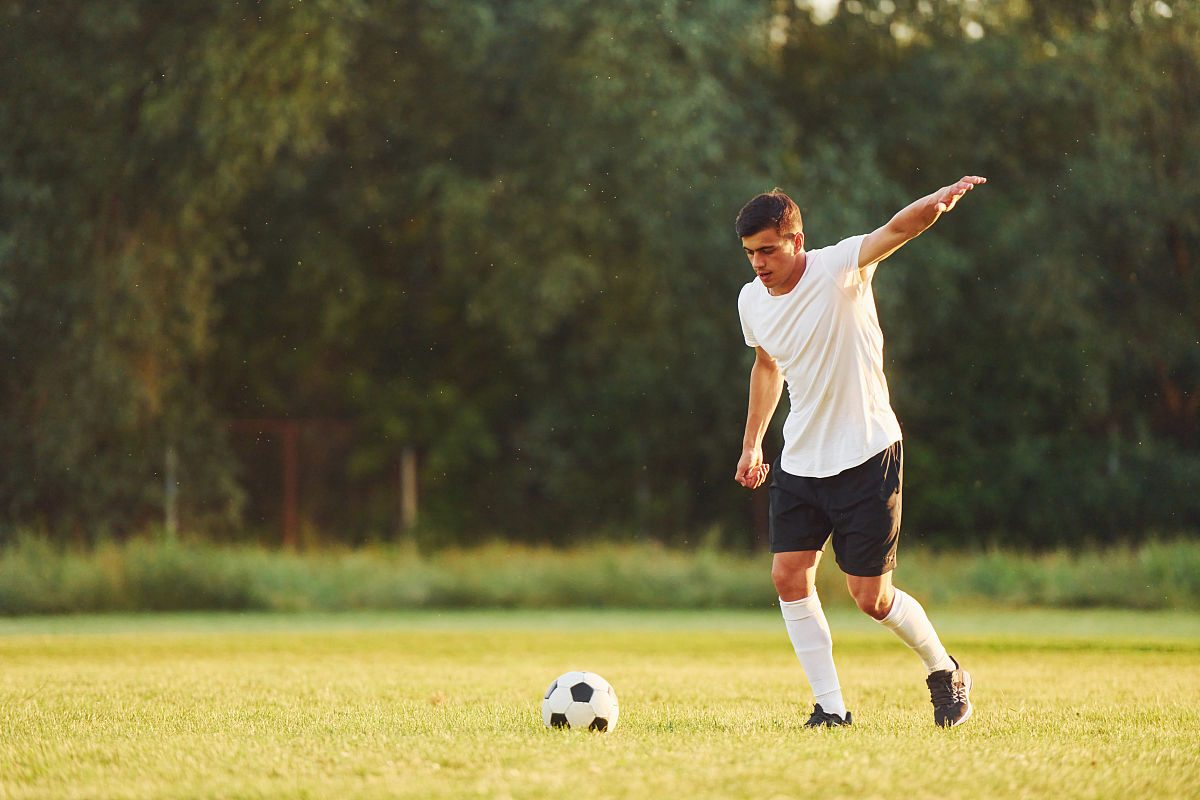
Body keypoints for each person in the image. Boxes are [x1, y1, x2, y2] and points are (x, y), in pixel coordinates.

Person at [733, 175, 986, 728]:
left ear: (796, 241)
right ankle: (830, 708)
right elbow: (768, 365)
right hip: (801, 460)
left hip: (867, 453)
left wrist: (937, 202)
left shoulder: (840, 267)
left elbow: (898, 227)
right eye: (751, 253)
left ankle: (945, 670)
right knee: (787, 575)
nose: (759, 263)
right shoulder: (751, 300)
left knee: (870, 597)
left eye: (768, 250)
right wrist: (753, 443)